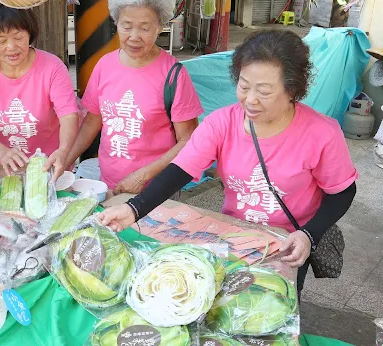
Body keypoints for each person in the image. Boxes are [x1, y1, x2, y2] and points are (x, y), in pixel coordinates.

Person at [99, 30, 358, 295]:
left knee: (277, 310)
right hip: (234, 237)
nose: (250, 99)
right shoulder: (221, 123)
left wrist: (309, 234)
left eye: (264, 91)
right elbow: (180, 170)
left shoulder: (322, 133)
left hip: (289, 242)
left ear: (292, 89)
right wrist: (134, 209)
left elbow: (342, 191)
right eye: (244, 86)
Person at [64, 0, 203, 195]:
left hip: (156, 190)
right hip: (110, 185)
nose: (134, 36)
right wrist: (66, 159)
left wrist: (142, 176)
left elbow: (188, 141)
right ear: (116, 23)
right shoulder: (104, 65)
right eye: (126, 26)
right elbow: (92, 122)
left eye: (145, 28)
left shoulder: (174, 75)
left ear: (160, 27)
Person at [0, 0, 79, 178]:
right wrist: (2, 151)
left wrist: (64, 150)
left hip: (49, 166)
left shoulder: (52, 67)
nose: (11, 47)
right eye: (2, 41)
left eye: (18, 38)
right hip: (4, 168)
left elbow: (69, 115)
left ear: (30, 34)